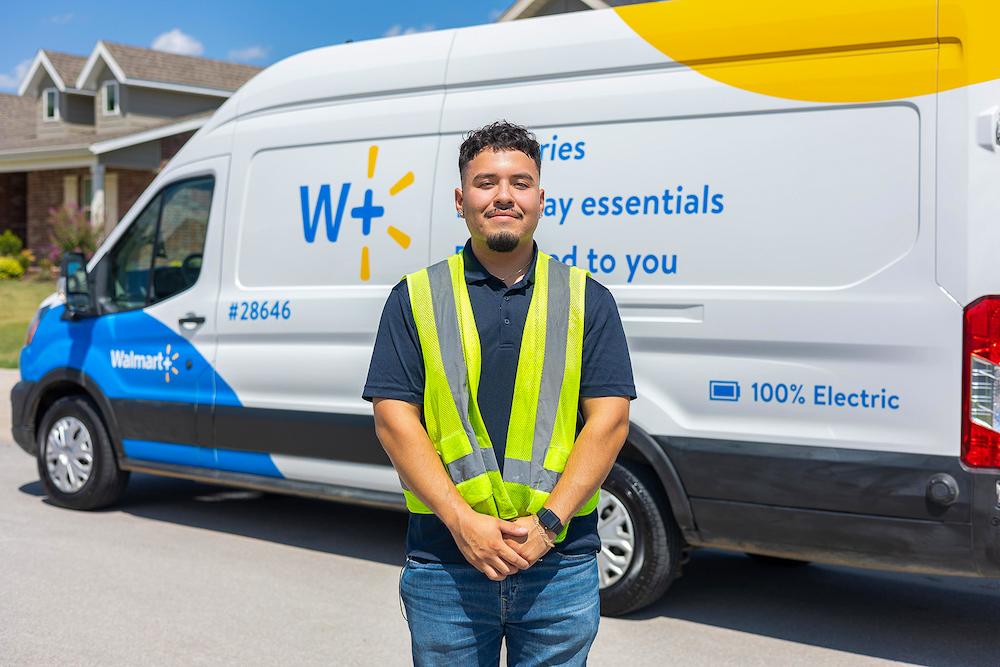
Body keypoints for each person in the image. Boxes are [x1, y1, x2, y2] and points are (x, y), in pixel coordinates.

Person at [363, 120, 635, 666]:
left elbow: (610, 422)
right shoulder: (414, 296)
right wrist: (464, 524)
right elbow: (395, 421)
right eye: (486, 183)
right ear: (461, 201)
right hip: (447, 561)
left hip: (558, 562)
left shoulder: (587, 298)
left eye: (519, 182)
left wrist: (548, 526)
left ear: (540, 199)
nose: (503, 196)